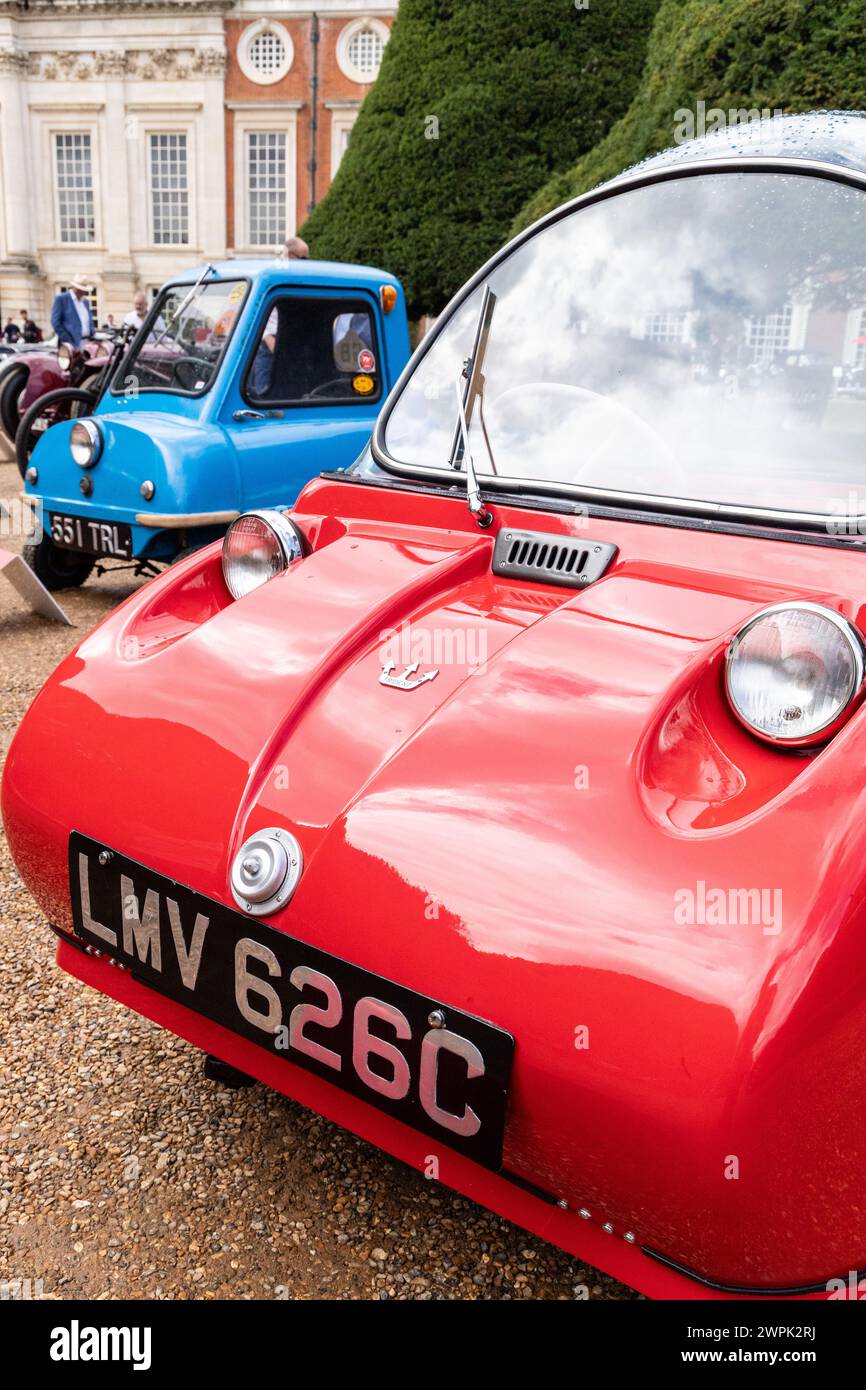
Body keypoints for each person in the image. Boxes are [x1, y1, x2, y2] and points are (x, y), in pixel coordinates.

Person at [251, 238, 311, 395]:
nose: (307, 263)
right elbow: (267, 327)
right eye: (304, 258)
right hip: (271, 346)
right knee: (263, 394)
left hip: (290, 344)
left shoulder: (297, 280)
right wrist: (273, 343)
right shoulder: (276, 280)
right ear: (291, 256)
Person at [51, 274, 94, 347]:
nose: (85, 292)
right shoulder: (61, 299)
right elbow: (55, 322)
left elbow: (89, 320)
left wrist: (92, 332)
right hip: (70, 344)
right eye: (83, 290)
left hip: (87, 343)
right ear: (76, 289)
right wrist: (67, 340)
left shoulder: (85, 302)